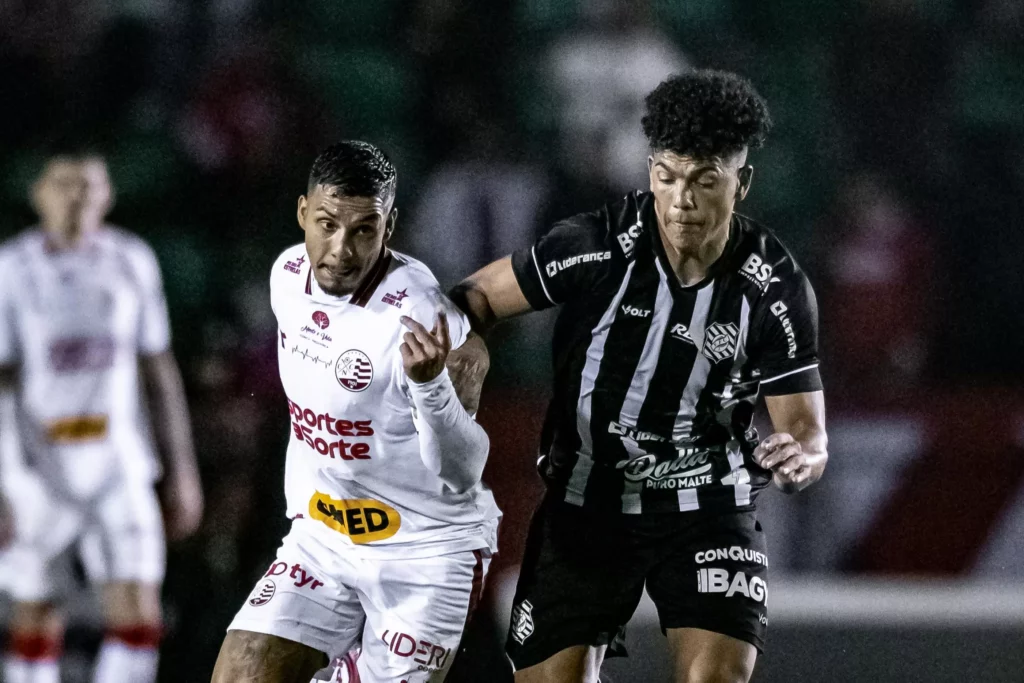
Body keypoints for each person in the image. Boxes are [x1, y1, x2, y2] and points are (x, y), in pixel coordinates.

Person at [451, 69, 829, 683]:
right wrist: (471, 342)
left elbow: (808, 433)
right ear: (651, 169)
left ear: (742, 182)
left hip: (707, 501)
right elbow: (475, 295)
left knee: (716, 678)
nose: (681, 200)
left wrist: (799, 458)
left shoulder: (776, 287)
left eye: (706, 181)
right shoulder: (598, 243)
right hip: (586, 497)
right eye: (667, 176)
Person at [211, 141, 500, 683]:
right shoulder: (285, 277)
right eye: (326, 224)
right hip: (322, 541)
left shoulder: (422, 319)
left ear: (389, 228)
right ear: (302, 213)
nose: (341, 249)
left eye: (364, 230)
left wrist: (431, 384)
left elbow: (464, 469)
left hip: (423, 551)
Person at [0, 148, 204, 683]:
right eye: (65, 184)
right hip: (38, 468)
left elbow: (157, 366)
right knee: (37, 609)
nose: (78, 197)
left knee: (139, 610)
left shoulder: (131, 260)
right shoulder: (12, 268)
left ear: (108, 194)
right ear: (39, 192)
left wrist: (181, 468)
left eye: (90, 186)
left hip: (118, 461)